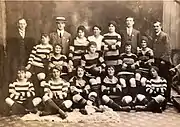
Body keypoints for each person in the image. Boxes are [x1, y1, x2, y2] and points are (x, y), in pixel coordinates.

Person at [81, 41, 106, 107]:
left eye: (94, 47)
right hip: (88, 74)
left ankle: (98, 102)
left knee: (98, 81)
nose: (93, 49)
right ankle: (98, 102)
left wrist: (100, 67)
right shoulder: (85, 56)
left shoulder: (98, 54)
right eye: (92, 47)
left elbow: (103, 63)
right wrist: (86, 73)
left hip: (96, 73)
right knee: (94, 82)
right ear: (89, 48)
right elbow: (82, 67)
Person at [152, 21, 172, 101]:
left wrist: (164, 60)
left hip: (164, 61)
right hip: (157, 60)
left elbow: (168, 49)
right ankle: (161, 97)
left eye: (157, 26)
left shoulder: (164, 36)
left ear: (160, 27)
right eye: (154, 26)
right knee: (159, 78)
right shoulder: (155, 36)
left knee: (165, 78)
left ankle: (167, 97)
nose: (156, 28)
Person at [118, 43, 139, 109]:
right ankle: (124, 100)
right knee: (122, 82)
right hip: (122, 73)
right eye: (126, 46)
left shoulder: (134, 56)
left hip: (131, 73)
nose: (127, 48)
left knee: (132, 82)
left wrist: (127, 66)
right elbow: (120, 66)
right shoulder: (121, 55)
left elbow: (136, 66)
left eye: (129, 46)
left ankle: (133, 100)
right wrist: (131, 66)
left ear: (131, 47)